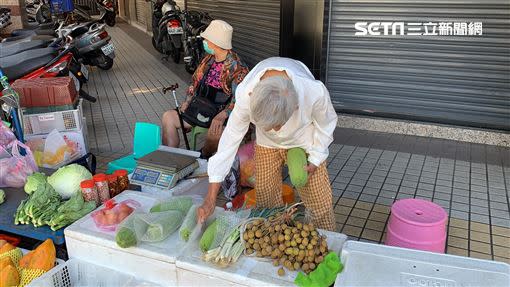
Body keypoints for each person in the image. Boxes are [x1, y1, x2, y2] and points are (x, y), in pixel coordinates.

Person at [197, 57, 338, 231]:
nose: (277, 131)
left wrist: (316, 158)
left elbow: (326, 124)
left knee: (319, 203)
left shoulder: (313, 92)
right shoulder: (246, 94)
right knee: (267, 202)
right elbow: (229, 142)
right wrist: (210, 199)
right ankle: (274, 238)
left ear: (295, 107)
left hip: (303, 141)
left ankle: (328, 242)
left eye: (280, 124)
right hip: (266, 145)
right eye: (270, 126)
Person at [161, 20, 249, 158]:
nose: (204, 41)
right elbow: (194, 83)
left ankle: (204, 156)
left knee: (215, 134)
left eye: (207, 39)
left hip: (220, 113)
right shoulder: (208, 59)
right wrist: (188, 101)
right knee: (168, 117)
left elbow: (241, 99)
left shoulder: (237, 67)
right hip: (200, 106)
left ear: (215, 43)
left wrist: (223, 115)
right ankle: (172, 158)